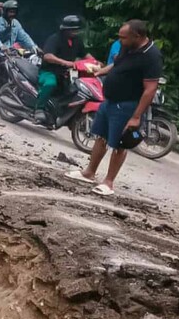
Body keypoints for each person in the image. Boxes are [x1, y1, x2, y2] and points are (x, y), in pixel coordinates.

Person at [66, 20, 162, 196]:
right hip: (109, 100)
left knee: (119, 144)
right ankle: (89, 172)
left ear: (137, 36)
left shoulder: (151, 56)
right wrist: (101, 71)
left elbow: (150, 89)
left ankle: (108, 182)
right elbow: (117, 64)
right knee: (100, 136)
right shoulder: (127, 47)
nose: (120, 40)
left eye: (124, 37)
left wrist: (136, 116)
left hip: (127, 104)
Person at [0, 0, 37, 107]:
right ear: (5, 11)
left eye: (14, 12)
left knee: (20, 71)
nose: (12, 14)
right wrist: (1, 46)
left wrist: (34, 47)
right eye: (10, 12)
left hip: (9, 53)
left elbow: (24, 36)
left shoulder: (16, 24)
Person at [34, 16, 89, 125]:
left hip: (65, 74)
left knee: (74, 91)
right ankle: (39, 109)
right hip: (49, 71)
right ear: (66, 29)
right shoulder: (55, 39)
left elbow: (85, 55)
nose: (75, 32)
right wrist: (64, 62)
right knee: (50, 84)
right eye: (73, 29)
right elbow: (48, 56)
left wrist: (95, 62)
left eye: (77, 29)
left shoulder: (77, 41)